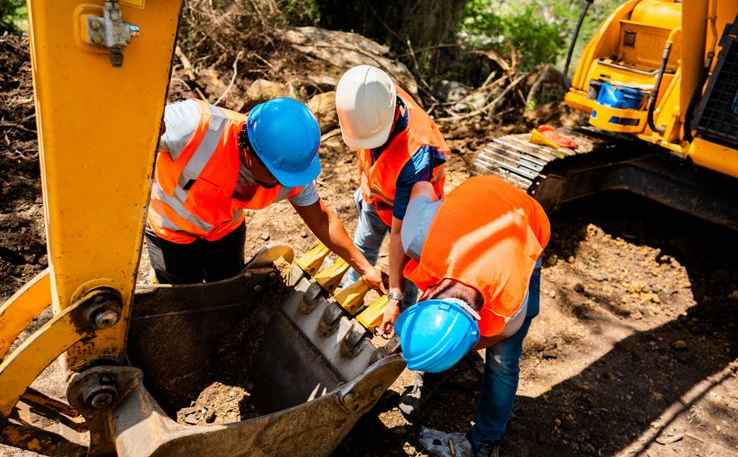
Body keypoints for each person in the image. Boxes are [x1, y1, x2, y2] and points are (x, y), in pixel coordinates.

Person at [145, 96, 383, 288]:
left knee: (227, 289)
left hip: (225, 231)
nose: (284, 183)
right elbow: (135, 126)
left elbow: (322, 220)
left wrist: (365, 268)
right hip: (171, 233)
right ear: (249, 151)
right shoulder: (194, 126)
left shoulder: (293, 167)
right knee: (183, 304)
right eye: (276, 174)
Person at [388, 175, 550, 456]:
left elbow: (498, 334)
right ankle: (439, 368)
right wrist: (395, 296)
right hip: (479, 193)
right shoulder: (418, 236)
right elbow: (422, 186)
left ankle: (485, 443)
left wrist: (461, 345)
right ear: (425, 297)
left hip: (528, 219)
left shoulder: (510, 304)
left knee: (503, 362)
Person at [334, 65, 449, 311]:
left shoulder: (416, 156)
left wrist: (394, 294)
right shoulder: (370, 96)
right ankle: (349, 296)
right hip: (375, 197)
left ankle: (402, 318)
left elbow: (398, 233)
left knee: (406, 272)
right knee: (363, 247)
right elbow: (363, 150)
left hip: (411, 214)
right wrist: (364, 187)